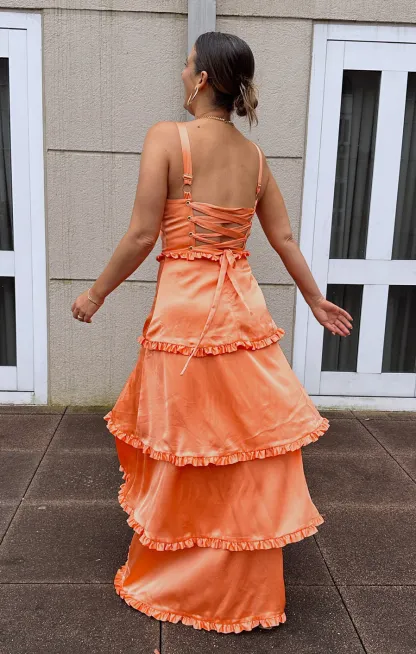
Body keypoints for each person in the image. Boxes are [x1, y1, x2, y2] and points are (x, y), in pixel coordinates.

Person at [71, 31, 353, 633]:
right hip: (243, 315)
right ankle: (243, 592)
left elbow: (142, 235)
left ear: (202, 79)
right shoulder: (255, 157)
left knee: (185, 444)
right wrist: (314, 299)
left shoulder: (165, 137)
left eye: (187, 64)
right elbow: (283, 238)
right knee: (244, 449)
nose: (182, 72)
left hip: (184, 317)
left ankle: (177, 578)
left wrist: (95, 294)